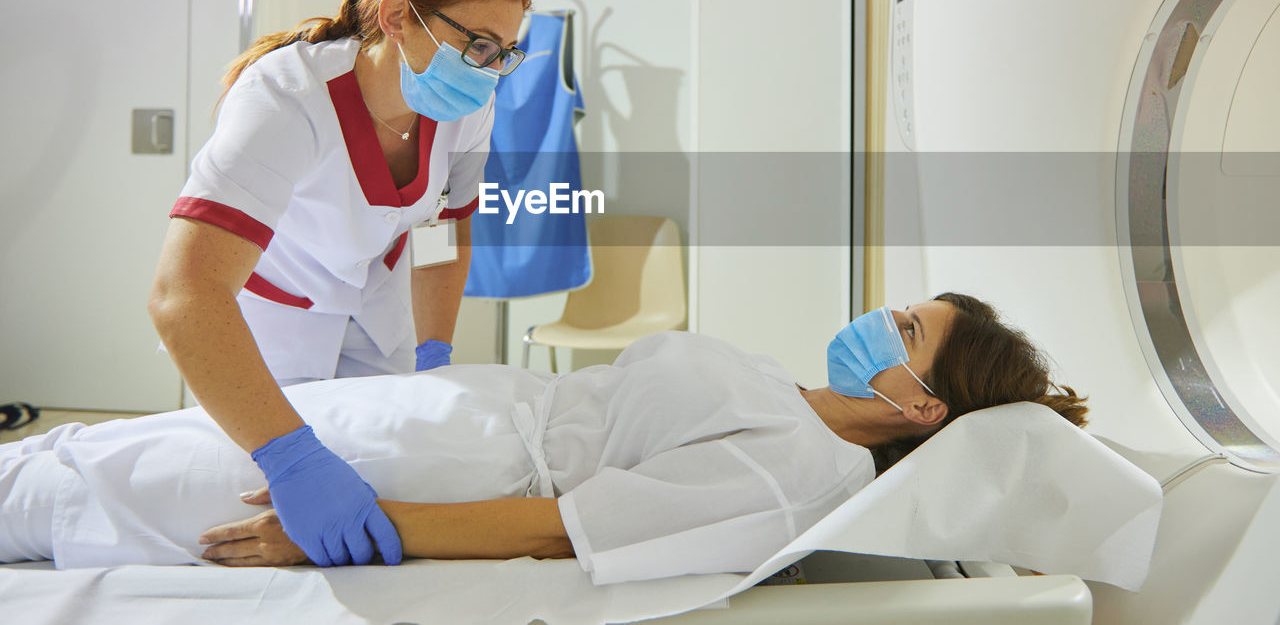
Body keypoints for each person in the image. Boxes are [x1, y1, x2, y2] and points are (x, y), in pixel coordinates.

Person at [1, 294, 1087, 585]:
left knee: (102, 490)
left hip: (431, 469)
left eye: (903, 329)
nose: (878, 316)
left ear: (920, 407)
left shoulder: (793, 467)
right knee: (113, 444)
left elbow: (560, 528)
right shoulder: (783, 391)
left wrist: (330, 528)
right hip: (439, 412)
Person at [146, 0, 531, 568]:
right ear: (398, 16)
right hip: (269, 322)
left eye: (506, 53)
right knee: (241, 509)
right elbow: (182, 293)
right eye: (480, 47)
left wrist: (434, 355)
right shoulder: (284, 99)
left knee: (385, 486)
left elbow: (446, 225)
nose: (491, 72)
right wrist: (288, 454)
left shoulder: (467, 105)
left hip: (375, 309)